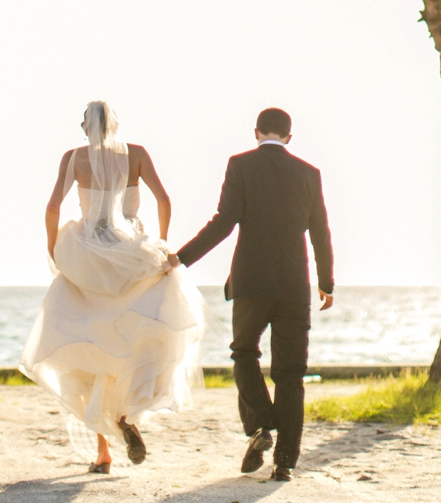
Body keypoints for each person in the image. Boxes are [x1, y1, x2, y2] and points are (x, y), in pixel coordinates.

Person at [20, 100, 203, 473]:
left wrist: (52, 245)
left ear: (85, 127)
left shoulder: (73, 158)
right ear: (116, 125)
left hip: (87, 256)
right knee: (138, 335)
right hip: (131, 253)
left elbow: (53, 206)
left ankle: (103, 453)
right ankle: (127, 416)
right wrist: (162, 245)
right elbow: (164, 199)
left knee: (90, 345)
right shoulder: (136, 154)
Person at [168, 107, 333, 482]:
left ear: (256, 132)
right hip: (294, 286)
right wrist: (326, 281)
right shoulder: (310, 174)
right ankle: (285, 464)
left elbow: (223, 222)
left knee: (244, 353)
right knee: (291, 374)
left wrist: (181, 258)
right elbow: (320, 231)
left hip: (251, 283)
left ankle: (261, 423)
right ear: (289, 137)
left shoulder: (239, 165)